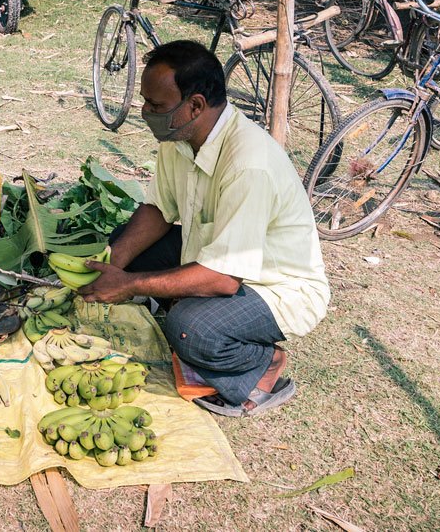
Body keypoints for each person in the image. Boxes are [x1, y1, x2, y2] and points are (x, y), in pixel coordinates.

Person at [79, 40, 329, 417]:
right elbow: (158, 211)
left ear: (194, 105)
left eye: (156, 106)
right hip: (217, 257)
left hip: (275, 285)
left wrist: (128, 284)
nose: (145, 112)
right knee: (126, 245)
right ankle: (182, 302)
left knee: (189, 330)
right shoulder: (179, 135)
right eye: (146, 102)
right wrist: (110, 263)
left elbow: (225, 279)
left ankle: (262, 365)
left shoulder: (248, 165)